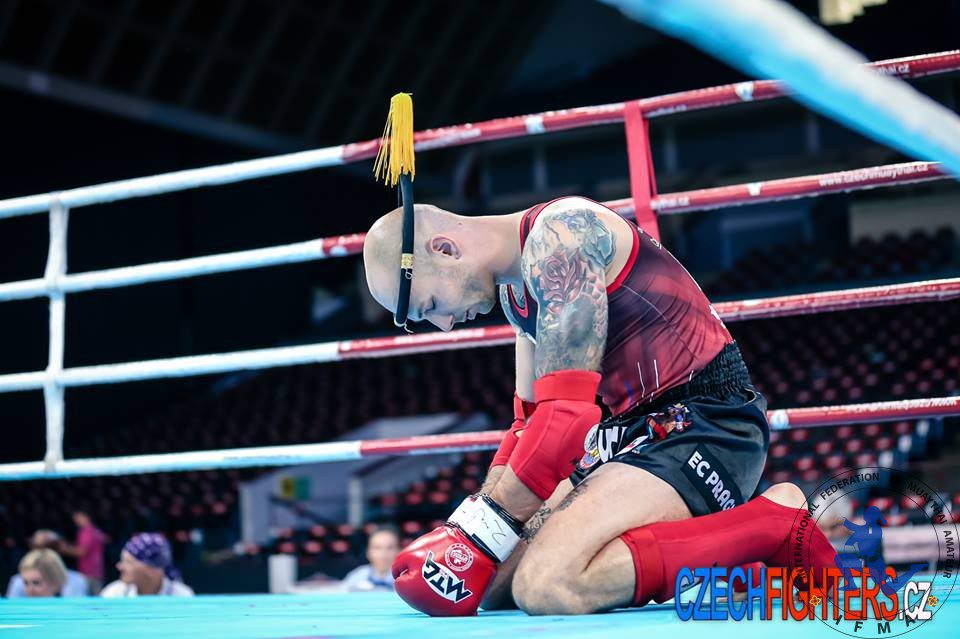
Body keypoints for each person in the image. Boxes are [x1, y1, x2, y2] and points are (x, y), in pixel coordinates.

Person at [363, 196, 826, 615]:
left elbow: (565, 418)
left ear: (445, 249)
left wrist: (476, 531)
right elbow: (528, 422)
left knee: (548, 585)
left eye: (431, 305)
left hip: (706, 422)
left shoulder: (563, 237)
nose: (444, 325)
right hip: (627, 438)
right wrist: (472, 533)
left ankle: (774, 523)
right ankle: (726, 557)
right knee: (491, 583)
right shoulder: (513, 291)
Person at [100, 533, 194, 597]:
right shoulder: (113, 594)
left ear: (153, 569)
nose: (119, 566)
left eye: (128, 562)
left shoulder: (182, 596)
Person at [6, 530, 89, 597]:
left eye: (52, 547)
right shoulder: (17, 581)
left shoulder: (76, 581)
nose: (45, 552)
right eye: (38, 547)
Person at [60, 510, 108, 595]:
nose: (75, 520)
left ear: (84, 516)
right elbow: (107, 540)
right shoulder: (96, 530)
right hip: (98, 570)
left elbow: (82, 552)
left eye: (77, 517)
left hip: (88, 572)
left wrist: (65, 549)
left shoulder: (86, 532)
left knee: (89, 599)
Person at [340, 526, 400, 592]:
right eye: (377, 548)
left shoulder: (405, 579)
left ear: (399, 550)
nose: (383, 553)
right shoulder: (357, 576)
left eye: (390, 547)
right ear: (368, 551)